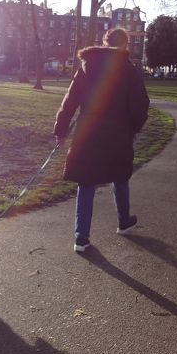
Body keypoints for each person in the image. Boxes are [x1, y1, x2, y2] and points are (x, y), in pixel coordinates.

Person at [53, 28, 150, 252]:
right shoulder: (129, 70)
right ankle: (123, 221)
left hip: (88, 132)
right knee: (120, 176)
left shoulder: (86, 68)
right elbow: (140, 106)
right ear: (124, 45)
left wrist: (61, 129)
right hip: (118, 133)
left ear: (105, 43)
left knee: (86, 182)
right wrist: (132, 128)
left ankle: (81, 237)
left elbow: (70, 101)